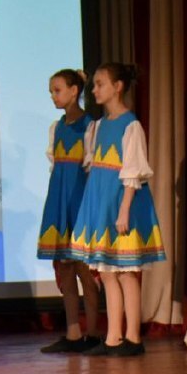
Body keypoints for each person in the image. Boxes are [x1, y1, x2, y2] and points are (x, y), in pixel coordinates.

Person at [71, 63, 166, 357]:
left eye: (100, 84)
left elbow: (133, 172)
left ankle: (133, 338)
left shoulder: (130, 125)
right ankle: (113, 337)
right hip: (101, 201)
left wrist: (123, 210)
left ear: (118, 87)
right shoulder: (97, 126)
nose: (95, 90)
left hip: (121, 201)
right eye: (94, 84)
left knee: (126, 273)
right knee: (108, 273)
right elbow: (94, 168)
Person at [37, 68, 101, 354]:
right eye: (51, 91)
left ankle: (94, 333)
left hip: (80, 200)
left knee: (84, 270)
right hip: (59, 200)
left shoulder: (89, 126)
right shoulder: (57, 127)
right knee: (65, 269)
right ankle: (73, 333)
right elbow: (56, 167)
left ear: (74, 91)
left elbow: (92, 169)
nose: (53, 96)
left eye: (57, 90)